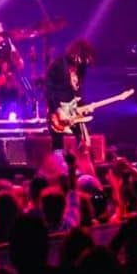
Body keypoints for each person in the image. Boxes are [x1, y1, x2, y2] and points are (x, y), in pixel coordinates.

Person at [43, 39, 95, 178]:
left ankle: (83, 172)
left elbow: (77, 91)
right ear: (76, 53)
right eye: (82, 58)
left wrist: (83, 106)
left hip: (73, 109)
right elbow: (48, 89)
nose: (83, 62)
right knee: (58, 144)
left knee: (83, 142)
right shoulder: (58, 64)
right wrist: (56, 109)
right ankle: (58, 173)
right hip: (58, 109)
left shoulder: (81, 67)